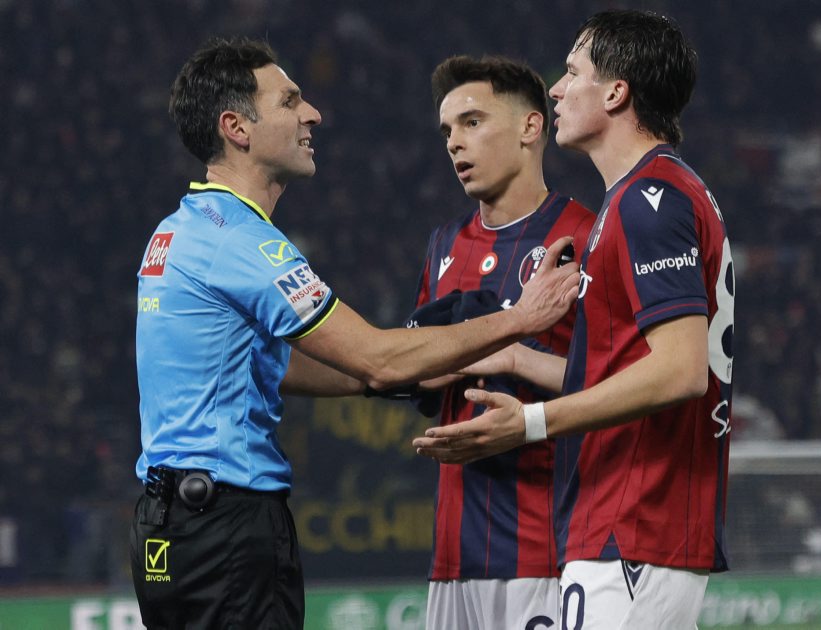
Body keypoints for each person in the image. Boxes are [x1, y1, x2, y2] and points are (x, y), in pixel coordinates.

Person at [130, 36, 579, 629]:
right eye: (289, 101)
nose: (312, 114)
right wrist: (519, 319)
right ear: (236, 128)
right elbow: (378, 357)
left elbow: (270, 364)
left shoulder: (181, 229)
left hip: (167, 524)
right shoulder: (242, 241)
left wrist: (383, 381)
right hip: (226, 523)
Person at [414, 10, 735, 630]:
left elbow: (680, 371)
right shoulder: (644, 196)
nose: (557, 89)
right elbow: (627, 366)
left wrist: (529, 422)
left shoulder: (649, 201)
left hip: (635, 521)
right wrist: (515, 355)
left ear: (616, 93)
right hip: (619, 525)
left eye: (572, 72)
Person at [413, 55, 594, 630]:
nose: (454, 142)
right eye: (447, 130)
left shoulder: (587, 234)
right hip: (452, 556)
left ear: (530, 127)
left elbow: (621, 381)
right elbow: (417, 372)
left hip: (547, 546)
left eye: (472, 122)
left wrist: (516, 358)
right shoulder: (444, 243)